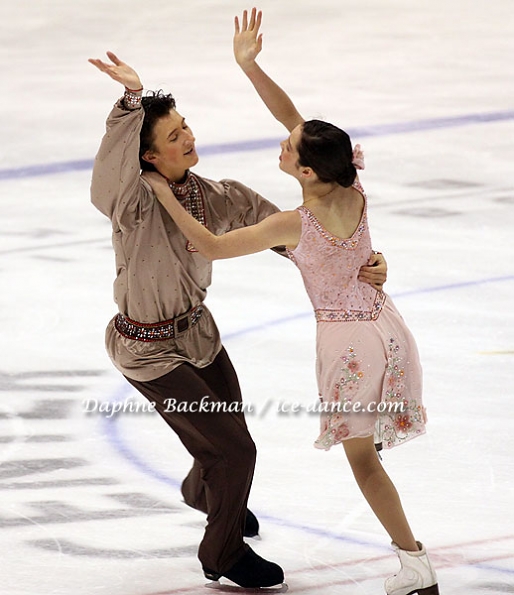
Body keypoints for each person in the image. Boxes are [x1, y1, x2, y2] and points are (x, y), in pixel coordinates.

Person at [142, 9, 439, 595]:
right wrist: (250, 67)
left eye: (289, 147)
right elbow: (295, 117)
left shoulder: (293, 224)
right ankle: (401, 523)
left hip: (349, 344)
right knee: (368, 445)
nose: (283, 140)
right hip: (387, 327)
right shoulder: (351, 185)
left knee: (362, 462)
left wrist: (162, 192)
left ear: (305, 170)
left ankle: (415, 564)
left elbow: (210, 245)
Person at [88, 33, 389, 590]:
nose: (188, 137)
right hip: (147, 349)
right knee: (234, 451)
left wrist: (363, 263)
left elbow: (307, 235)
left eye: (186, 127)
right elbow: (111, 165)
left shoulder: (216, 195)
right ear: (149, 156)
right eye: (174, 136)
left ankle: (206, 494)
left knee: (228, 437)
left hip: (199, 337)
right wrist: (131, 99)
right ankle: (221, 553)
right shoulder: (131, 201)